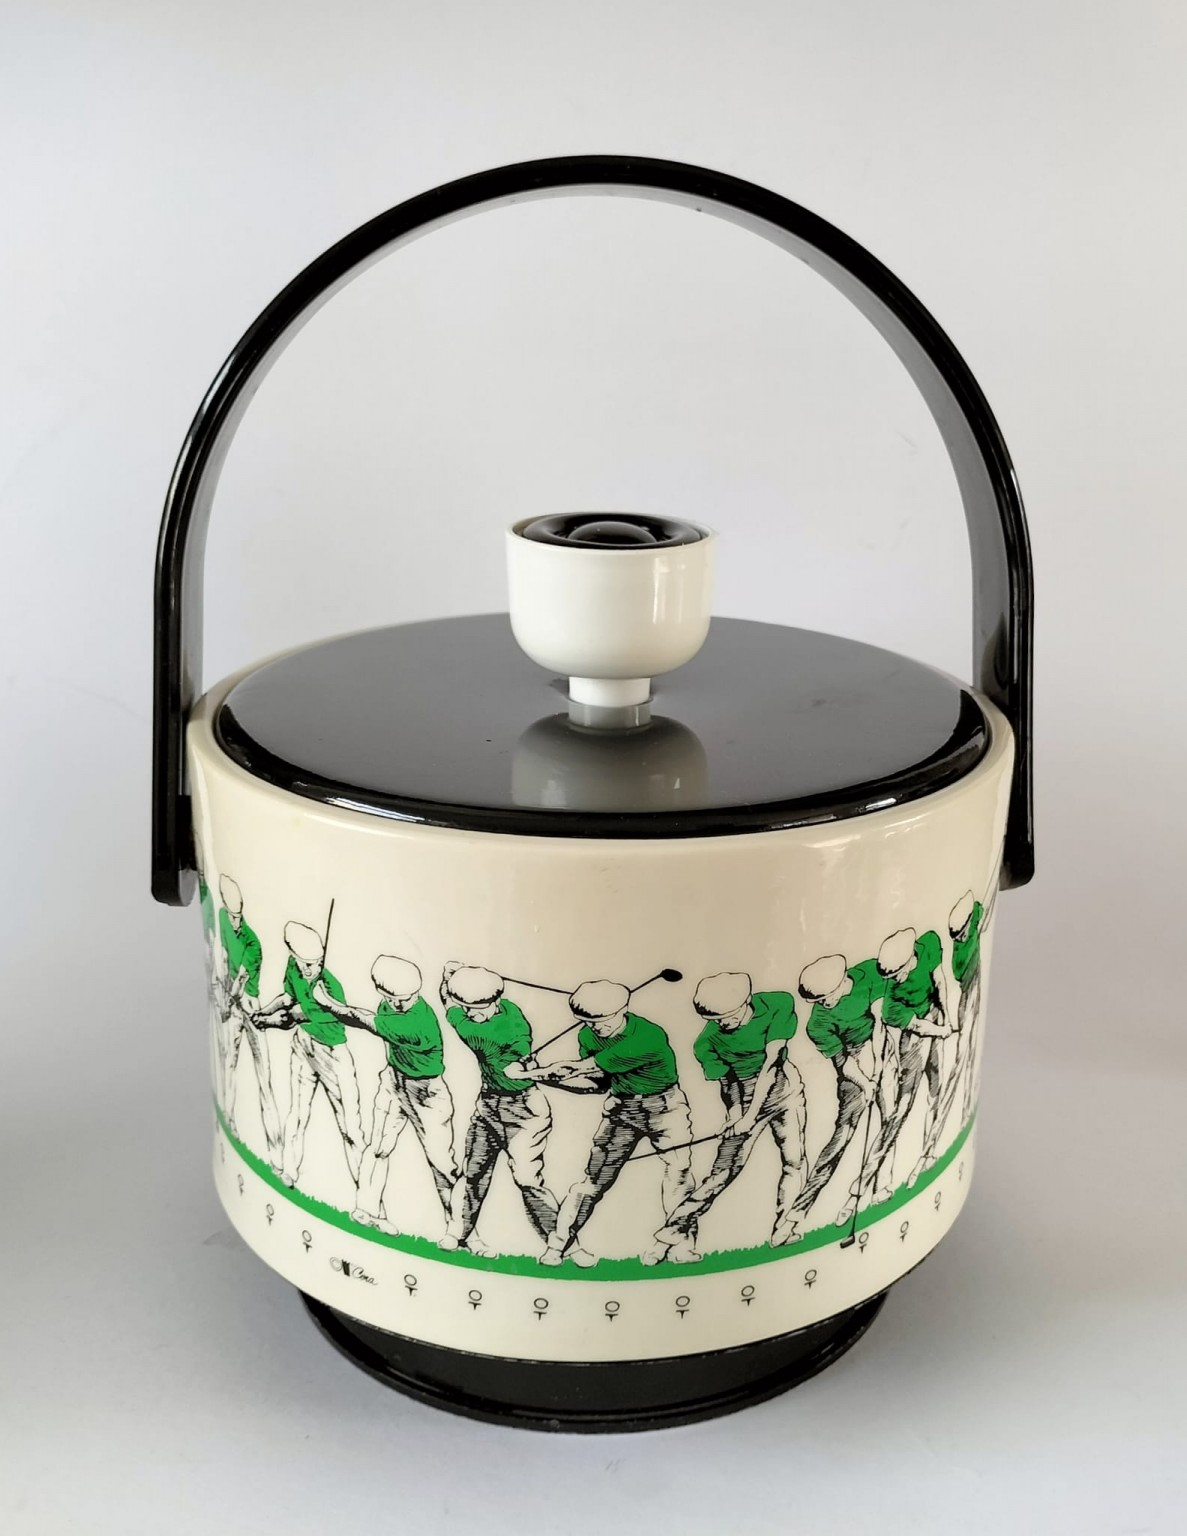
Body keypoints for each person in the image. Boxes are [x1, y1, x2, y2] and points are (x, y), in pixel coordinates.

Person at [526, 981, 696, 1266]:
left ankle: (680, 1245)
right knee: (593, 1181)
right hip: (621, 1109)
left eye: (603, 1020)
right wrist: (544, 1078)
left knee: (679, 1172)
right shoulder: (588, 1036)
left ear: (623, 1009)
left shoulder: (648, 1035)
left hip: (665, 1108)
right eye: (588, 1022)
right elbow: (595, 1085)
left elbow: (585, 1067)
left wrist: (536, 1073)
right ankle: (558, 1246)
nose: (596, 1028)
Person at [648, 974, 806, 1259]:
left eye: (727, 1017)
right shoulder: (706, 1042)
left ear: (746, 1001)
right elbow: (727, 1082)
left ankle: (784, 1228)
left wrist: (750, 1116)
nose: (722, 1024)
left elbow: (771, 1065)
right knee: (722, 1173)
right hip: (744, 1093)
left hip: (784, 1087)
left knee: (794, 1160)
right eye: (715, 1019)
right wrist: (735, 1114)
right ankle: (670, 1232)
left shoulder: (777, 1004)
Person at [313, 955, 458, 1235]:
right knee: (378, 1147)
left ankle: (461, 1230)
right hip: (393, 1080)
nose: (401, 1004)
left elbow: (360, 1018)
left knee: (442, 1163)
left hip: (427, 1093)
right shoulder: (388, 1006)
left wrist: (328, 1003)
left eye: (408, 998)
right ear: (381, 991)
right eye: (393, 998)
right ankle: (367, 1210)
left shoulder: (418, 1022)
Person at [439, 964, 559, 1259]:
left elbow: (450, 1005)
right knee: (473, 1173)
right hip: (489, 1105)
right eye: (466, 1008)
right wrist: (449, 980)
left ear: (496, 1000)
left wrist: (522, 1062)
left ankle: (561, 1243)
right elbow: (449, 1003)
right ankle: (457, 1232)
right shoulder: (481, 1020)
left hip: (525, 1111)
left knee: (528, 1180)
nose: (471, 1014)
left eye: (477, 1009)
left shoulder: (503, 1026)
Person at [845, 927, 953, 1211]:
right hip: (915, 1036)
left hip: (934, 1016)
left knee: (937, 1086)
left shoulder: (928, 944)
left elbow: (939, 980)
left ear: (909, 960)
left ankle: (932, 1147)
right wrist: (942, 1030)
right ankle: (866, 1176)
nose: (894, 980)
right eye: (890, 977)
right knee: (901, 1106)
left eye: (897, 973)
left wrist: (948, 1017)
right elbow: (916, 1026)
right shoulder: (891, 1002)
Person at [255, 920, 365, 1189]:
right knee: (297, 1112)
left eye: (316, 963)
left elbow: (293, 1016)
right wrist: (263, 1011)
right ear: (293, 955)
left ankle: (367, 1193)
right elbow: (288, 998)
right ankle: (289, 1172)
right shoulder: (294, 967)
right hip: (304, 1045)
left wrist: (269, 1021)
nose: (310, 969)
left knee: (350, 1126)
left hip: (332, 1054)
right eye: (304, 963)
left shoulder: (329, 986)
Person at [788, 953, 887, 1228]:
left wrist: (880, 1063)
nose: (823, 1004)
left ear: (843, 981)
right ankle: (799, 1211)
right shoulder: (817, 1023)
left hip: (881, 1044)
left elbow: (881, 1020)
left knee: (889, 1118)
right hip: (853, 1064)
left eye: (826, 996)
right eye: (817, 1000)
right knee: (842, 1134)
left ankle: (866, 1191)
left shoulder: (870, 973)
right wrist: (866, 1083)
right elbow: (843, 1063)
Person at [218, 877, 282, 1174]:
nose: (234, 922)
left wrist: (227, 1002)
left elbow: (242, 979)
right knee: (227, 1064)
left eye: (237, 917)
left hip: (249, 1003)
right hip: (231, 999)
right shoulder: (221, 917)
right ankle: (229, 1124)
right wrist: (221, 986)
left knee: (264, 1077)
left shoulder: (252, 942)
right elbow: (223, 953)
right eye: (231, 916)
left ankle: (276, 1155)